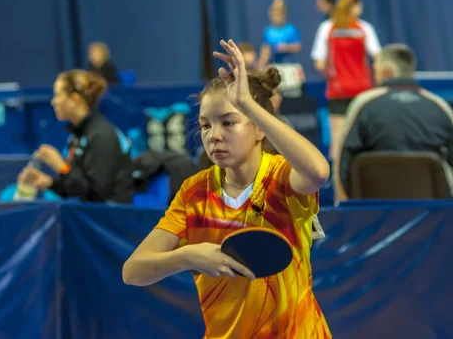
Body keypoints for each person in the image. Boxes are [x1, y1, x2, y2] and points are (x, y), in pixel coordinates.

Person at [123, 40, 331, 338]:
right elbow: (133, 271)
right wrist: (189, 256)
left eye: (229, 122)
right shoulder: (195, 191)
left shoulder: (283, 179)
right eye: (205, 125)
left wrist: (248, 104)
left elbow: (319, 171)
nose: (215, 136)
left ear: (260, 128)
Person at [333, 44, 453, 201]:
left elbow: (343, 165)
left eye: (375, 71)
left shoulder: (362, 104)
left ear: (386, 72)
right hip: (437, 218)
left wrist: (350, 216)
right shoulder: (440, 106)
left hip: (375, 215)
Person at [18, 69, 134, 203]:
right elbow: (77, 188)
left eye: (58, 95)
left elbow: (96, 195)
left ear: (75, 99)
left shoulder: (102, 135)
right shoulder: (78, 135)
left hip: (108, 221)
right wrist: (49, 183)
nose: (53, 102)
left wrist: (61, 166)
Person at [311, 0, 381, 159]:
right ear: (355, 7)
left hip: (338, 91)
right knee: (365, 137)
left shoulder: (327, 28)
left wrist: (334, 75)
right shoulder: (365, 28)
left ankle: (338, 184)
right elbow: (378, 58)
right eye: (359, 5)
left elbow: (318, 63)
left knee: (337, 141)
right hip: (363, 91)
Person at [258, 0, 302, 68]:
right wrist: (260, 65)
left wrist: (286, 47)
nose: (277, 16)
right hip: (273, 66)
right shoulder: (268, 31)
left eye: (280, 12)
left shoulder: (291, 29)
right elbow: (265, 49)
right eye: (275, 12)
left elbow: (297, 46)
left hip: (289, 66)